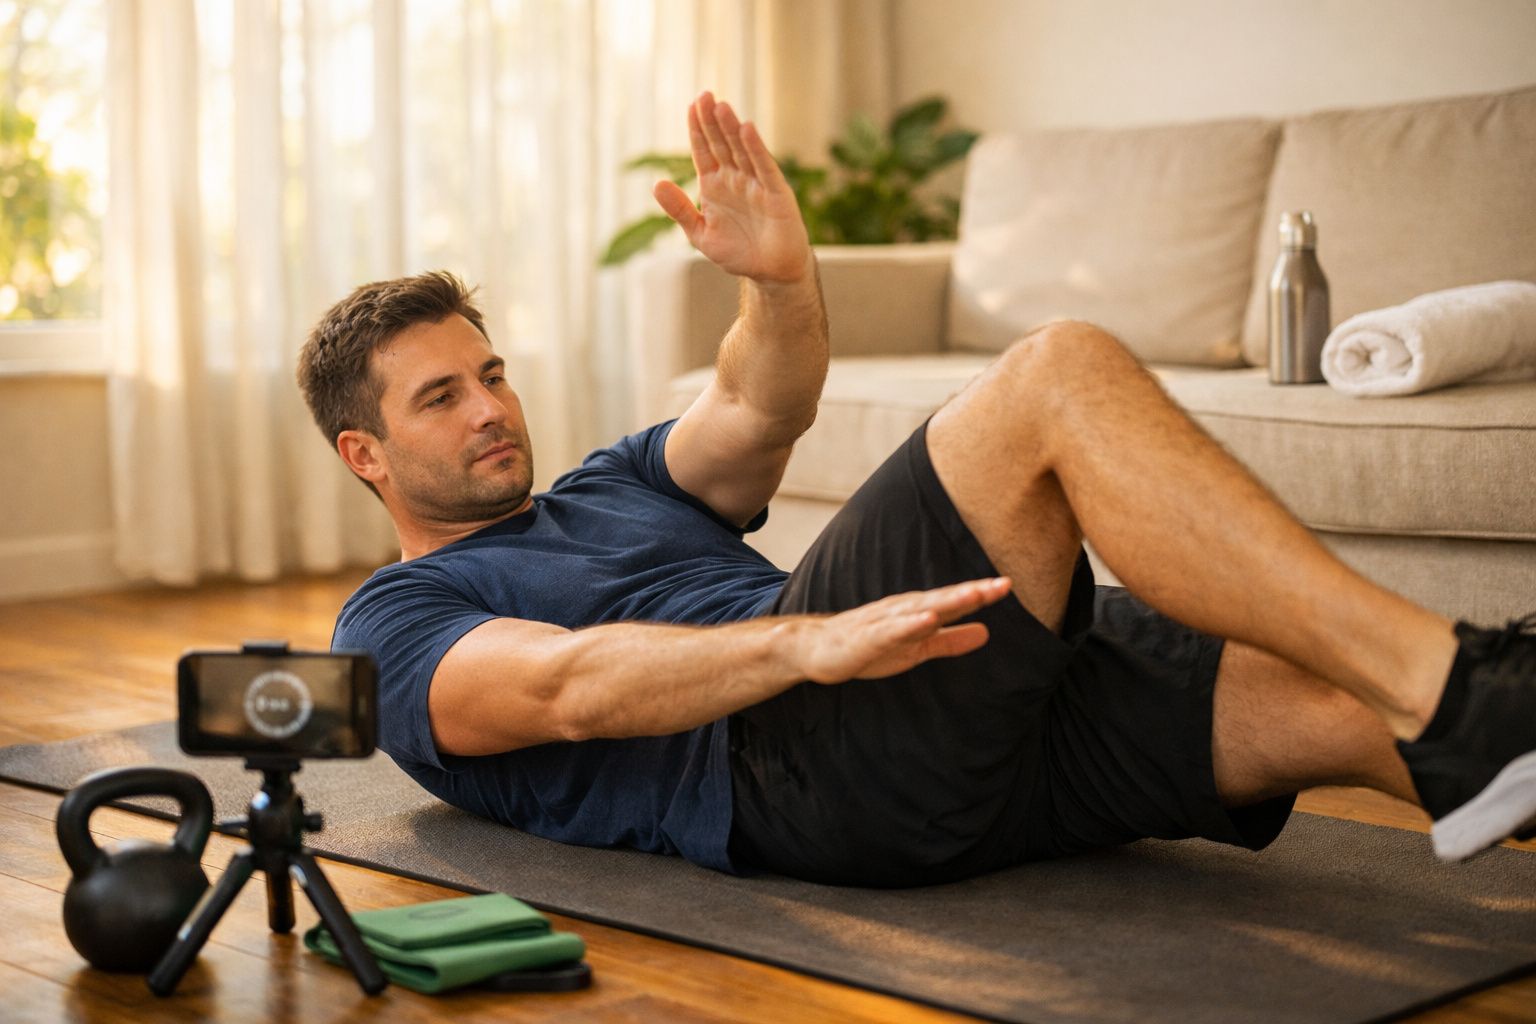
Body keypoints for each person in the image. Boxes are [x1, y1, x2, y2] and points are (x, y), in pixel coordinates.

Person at [298, 91, 1536, 887]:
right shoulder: (391, 627)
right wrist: (806, 643)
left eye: (491, 373)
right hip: (791, 764)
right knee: (1056, 373)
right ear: (366, 454)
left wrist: (781, 282)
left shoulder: (614, 480)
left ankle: (1473, 713)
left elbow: (759, 404)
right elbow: (567, 689)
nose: (490, 407)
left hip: (931, 701)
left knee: (1328, 704)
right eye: (440, 397)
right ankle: (1458, 679)